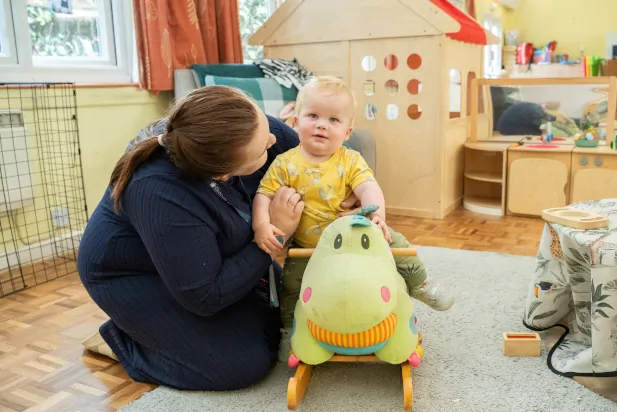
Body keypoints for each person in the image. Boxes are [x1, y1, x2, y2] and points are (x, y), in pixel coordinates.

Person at [77, 85, 316, 391]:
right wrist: (276, 233)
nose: (273, 140)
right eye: (262, 151)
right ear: (222, 174)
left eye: (265, 127)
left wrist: (350, 193)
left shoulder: (244, 128)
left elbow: (315, 162)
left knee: (289, 317)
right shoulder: (159, 190)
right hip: (133, 275)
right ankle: (128, 338)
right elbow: (206, 296)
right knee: (241, 364)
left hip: (205, 255)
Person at [251, 76, 455, 361]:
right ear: (296, 122)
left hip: (357, 235)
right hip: (309, 246)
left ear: (347, 132)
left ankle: (420, 284)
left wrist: (376, 215)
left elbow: (368, 187)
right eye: (313, 116)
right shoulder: (285, 163)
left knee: (395, 242)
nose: (322, 124)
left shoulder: (350, 159)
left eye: (333, 120)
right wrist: (262, 224)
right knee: (292, 287)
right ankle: (291, 330)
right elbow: (263, 194)